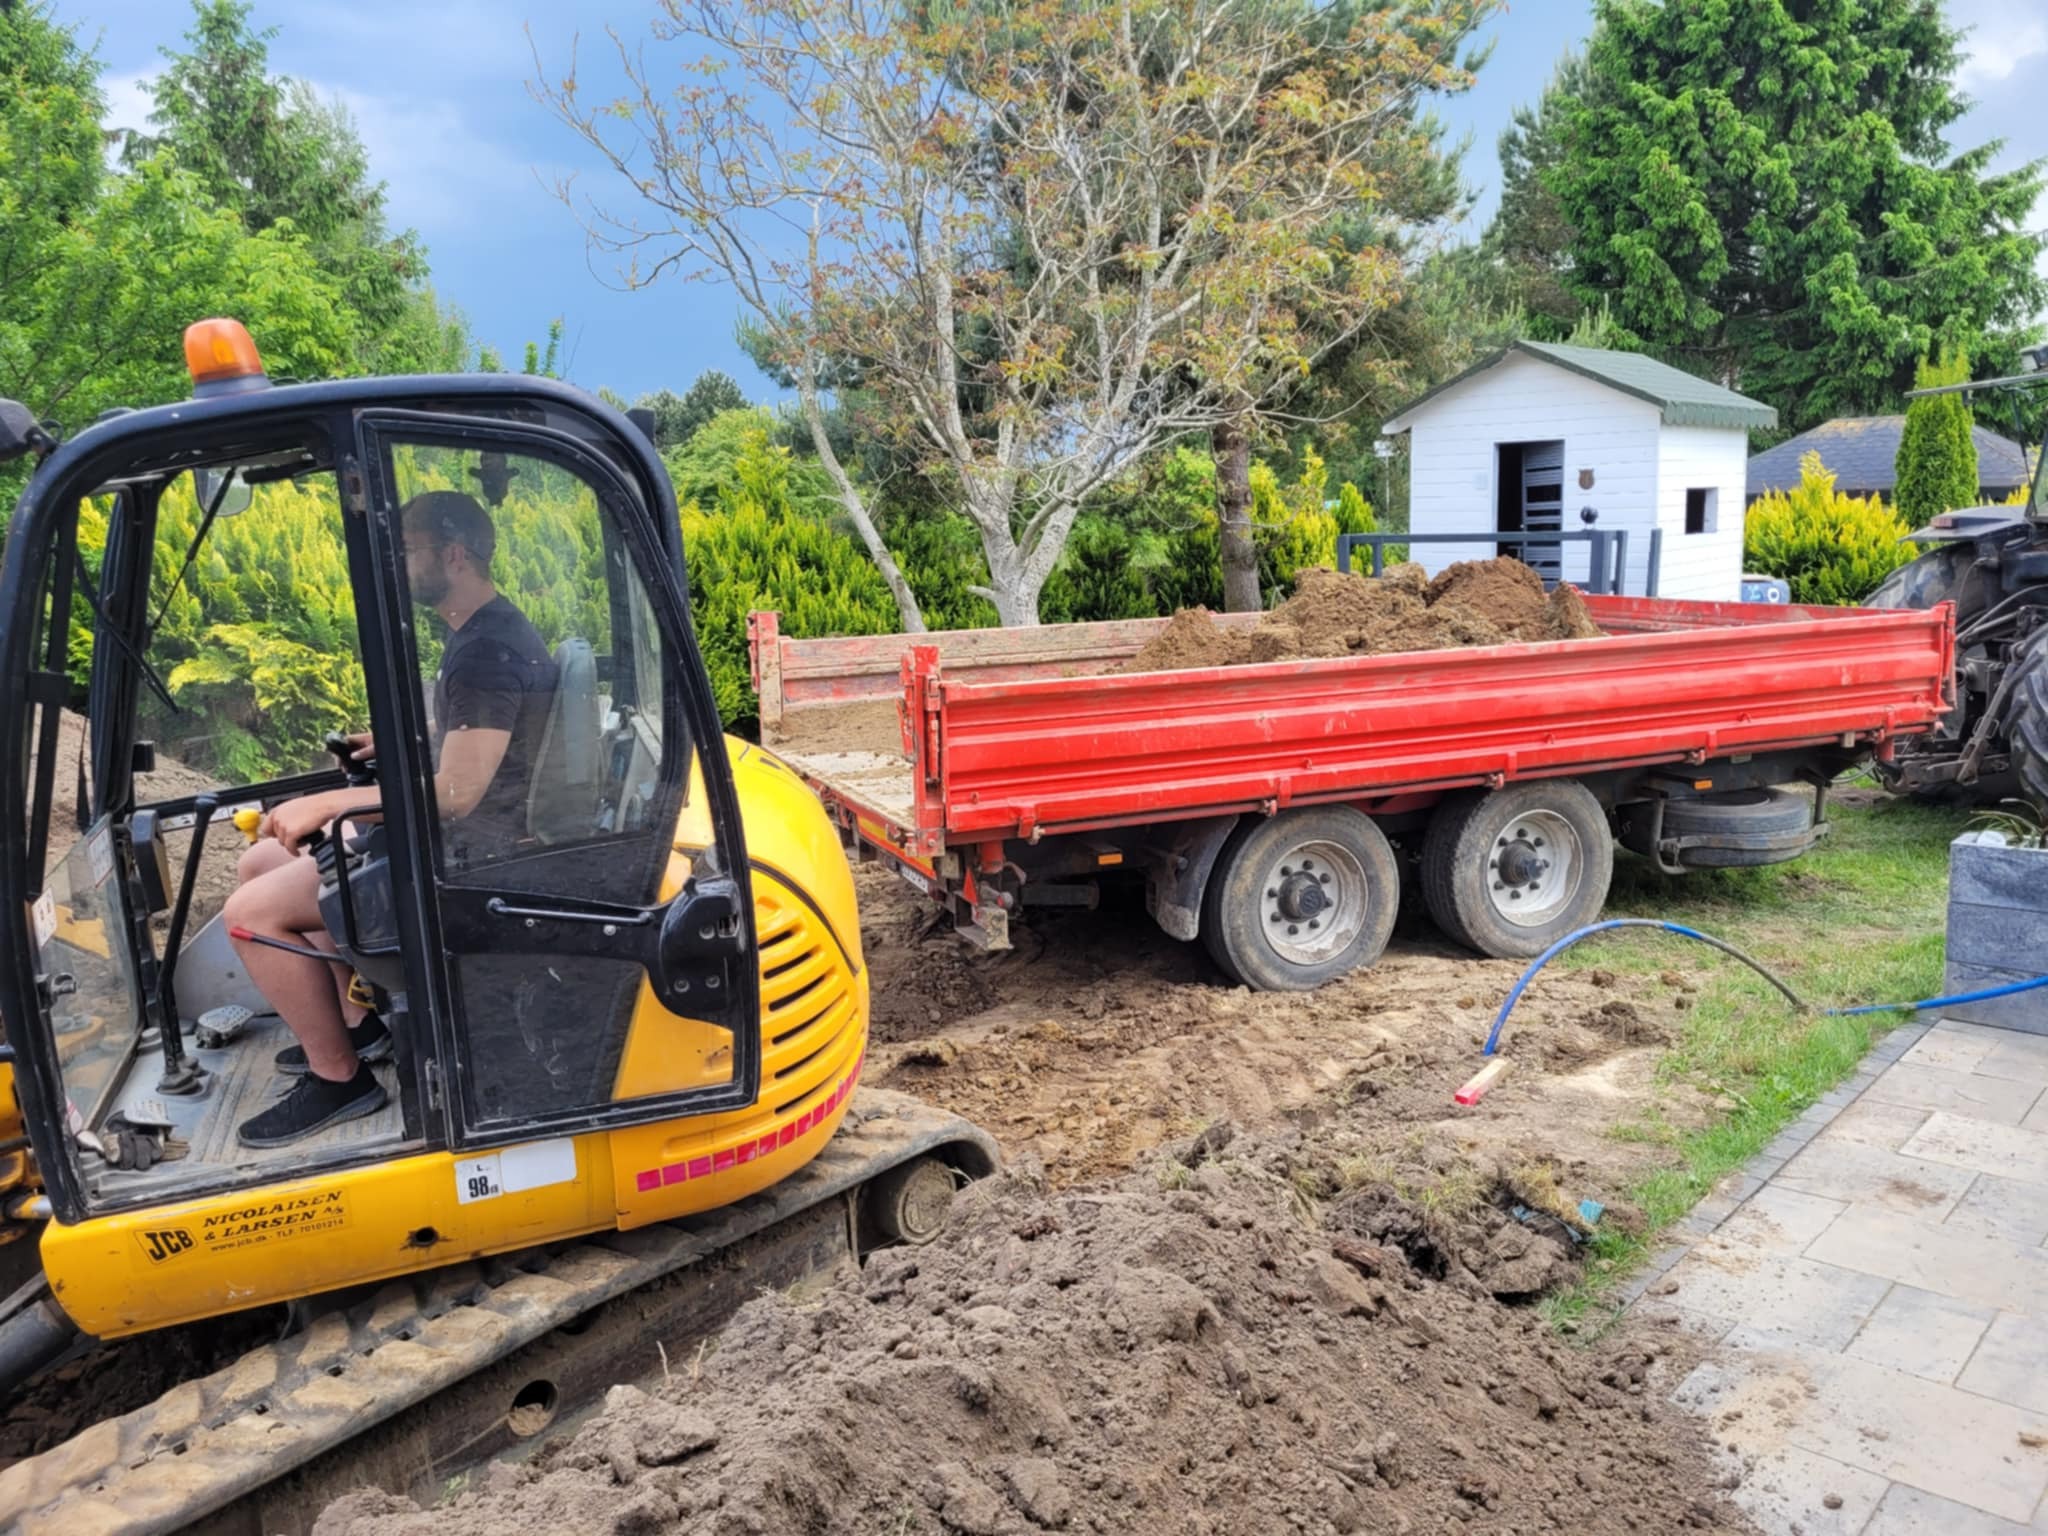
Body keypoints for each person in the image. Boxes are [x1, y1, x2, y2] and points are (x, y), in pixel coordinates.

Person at [227, 490, 557, 1148]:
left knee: (250, 916)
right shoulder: (482, 633)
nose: (395, 564)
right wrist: (406, 740)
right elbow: (483, 732)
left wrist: (331, 802)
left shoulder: (485, 652)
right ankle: (359, 1027)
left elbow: (460, 792)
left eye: (405, 550)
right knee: (261, 861)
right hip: (464, 831)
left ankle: (340, 1079)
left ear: (453, 555)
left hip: (468, 850)